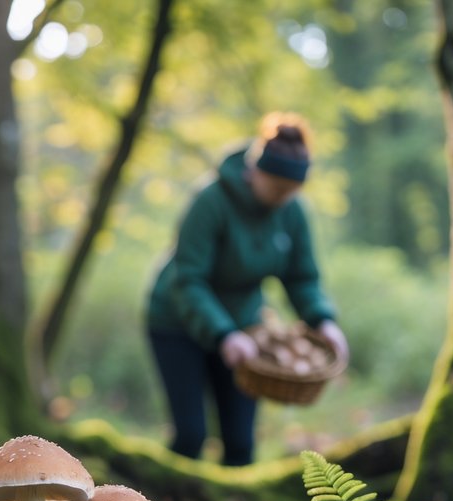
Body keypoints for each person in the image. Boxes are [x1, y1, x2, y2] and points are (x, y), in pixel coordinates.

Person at [145, 112, 348, 466]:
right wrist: (224, 334)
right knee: (191, 435)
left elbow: (302, 277)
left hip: (245, 329)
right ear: (255, 171)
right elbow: (188, 278)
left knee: (240, 441)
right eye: (276, 187)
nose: (282, 197)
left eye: (291, 191)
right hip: (176, 322)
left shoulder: (293, 212)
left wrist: (323, 321)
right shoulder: (211, 201)